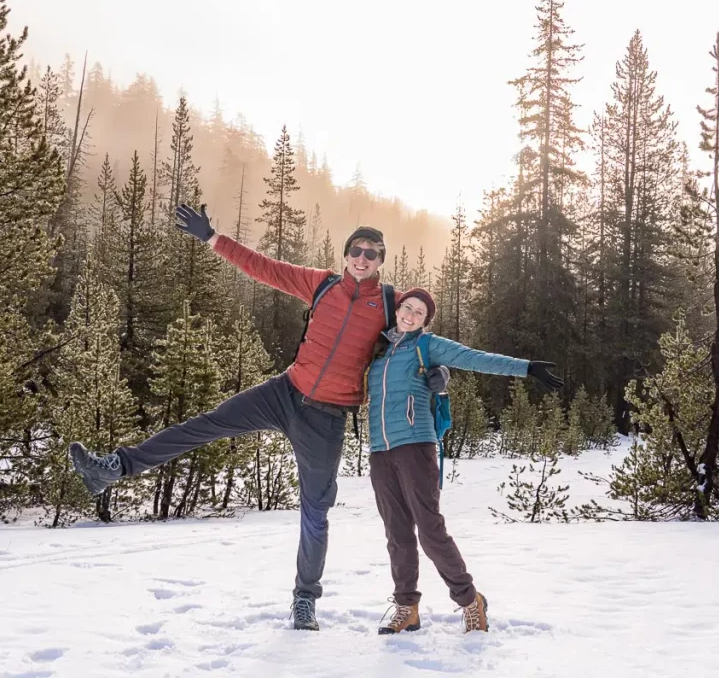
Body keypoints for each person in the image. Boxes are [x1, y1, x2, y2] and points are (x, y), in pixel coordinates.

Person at [68, 203, 449, 632]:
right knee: (206, 424)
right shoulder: (321, 285)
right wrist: (212, 239)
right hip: (285, 392)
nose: (362, 258)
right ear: (346, 254)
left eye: (372, 253)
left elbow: (424, 338)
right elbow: (263, 267)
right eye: (356, 250)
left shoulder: (390, 302)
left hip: (327, 418)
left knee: (315, 510)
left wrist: (438, 374)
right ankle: (113, 468)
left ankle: (305, 599)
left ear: (381, 260)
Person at [365, 288, 562, 635]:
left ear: (426, 321)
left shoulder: (427, 345)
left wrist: (526, 368)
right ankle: (406, 608)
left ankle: (470, 601)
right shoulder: (378, 348)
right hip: (380, 450)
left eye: (420, 313)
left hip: (415, 444)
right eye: (407, 308)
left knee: (429, 530)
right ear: (397, 309)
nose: (411, 315)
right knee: (396, 533)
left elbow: (475, 358)